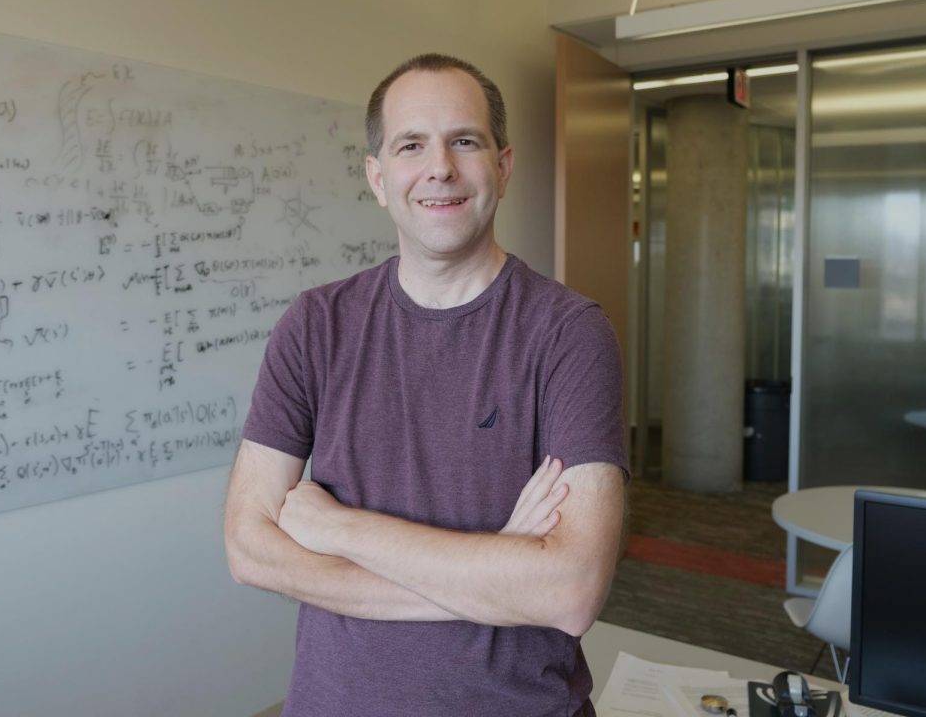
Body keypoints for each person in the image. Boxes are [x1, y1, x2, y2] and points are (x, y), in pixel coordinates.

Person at [223, 53, 628, 716]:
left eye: (464, 141)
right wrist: (498, 569)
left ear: (502, 165)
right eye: (412, 145)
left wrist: (342, 528)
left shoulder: (569, 333)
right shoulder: (314, 325)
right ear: (378, 178)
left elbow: (570, 592)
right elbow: (249, 549)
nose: (440, 166)